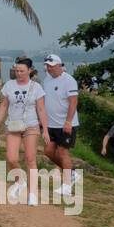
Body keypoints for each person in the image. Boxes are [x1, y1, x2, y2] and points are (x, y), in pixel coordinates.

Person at [0, 59, 48, 206]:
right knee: (11, 158)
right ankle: (20, 181)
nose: (19, 73)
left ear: (30, 70)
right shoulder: (9, 85)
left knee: (30, 159)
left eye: (22, 70)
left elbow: (41, 109)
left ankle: (33, 193)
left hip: (31, 125)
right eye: (16, 70)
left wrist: (45, 130)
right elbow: (4, 106)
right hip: (13, 125)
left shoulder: (36, 87)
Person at [40, 54, 80, 197]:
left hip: (66, 124)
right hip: (51, 124)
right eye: (47, 65)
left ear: (59, 65)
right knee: (49, 151)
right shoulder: (47, 79)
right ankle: (72, 173)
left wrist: (68, 121)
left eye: (51, 65)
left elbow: (73, 102)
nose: (49, 68)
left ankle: (67, 185)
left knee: (62, 152)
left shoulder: (69, 80)